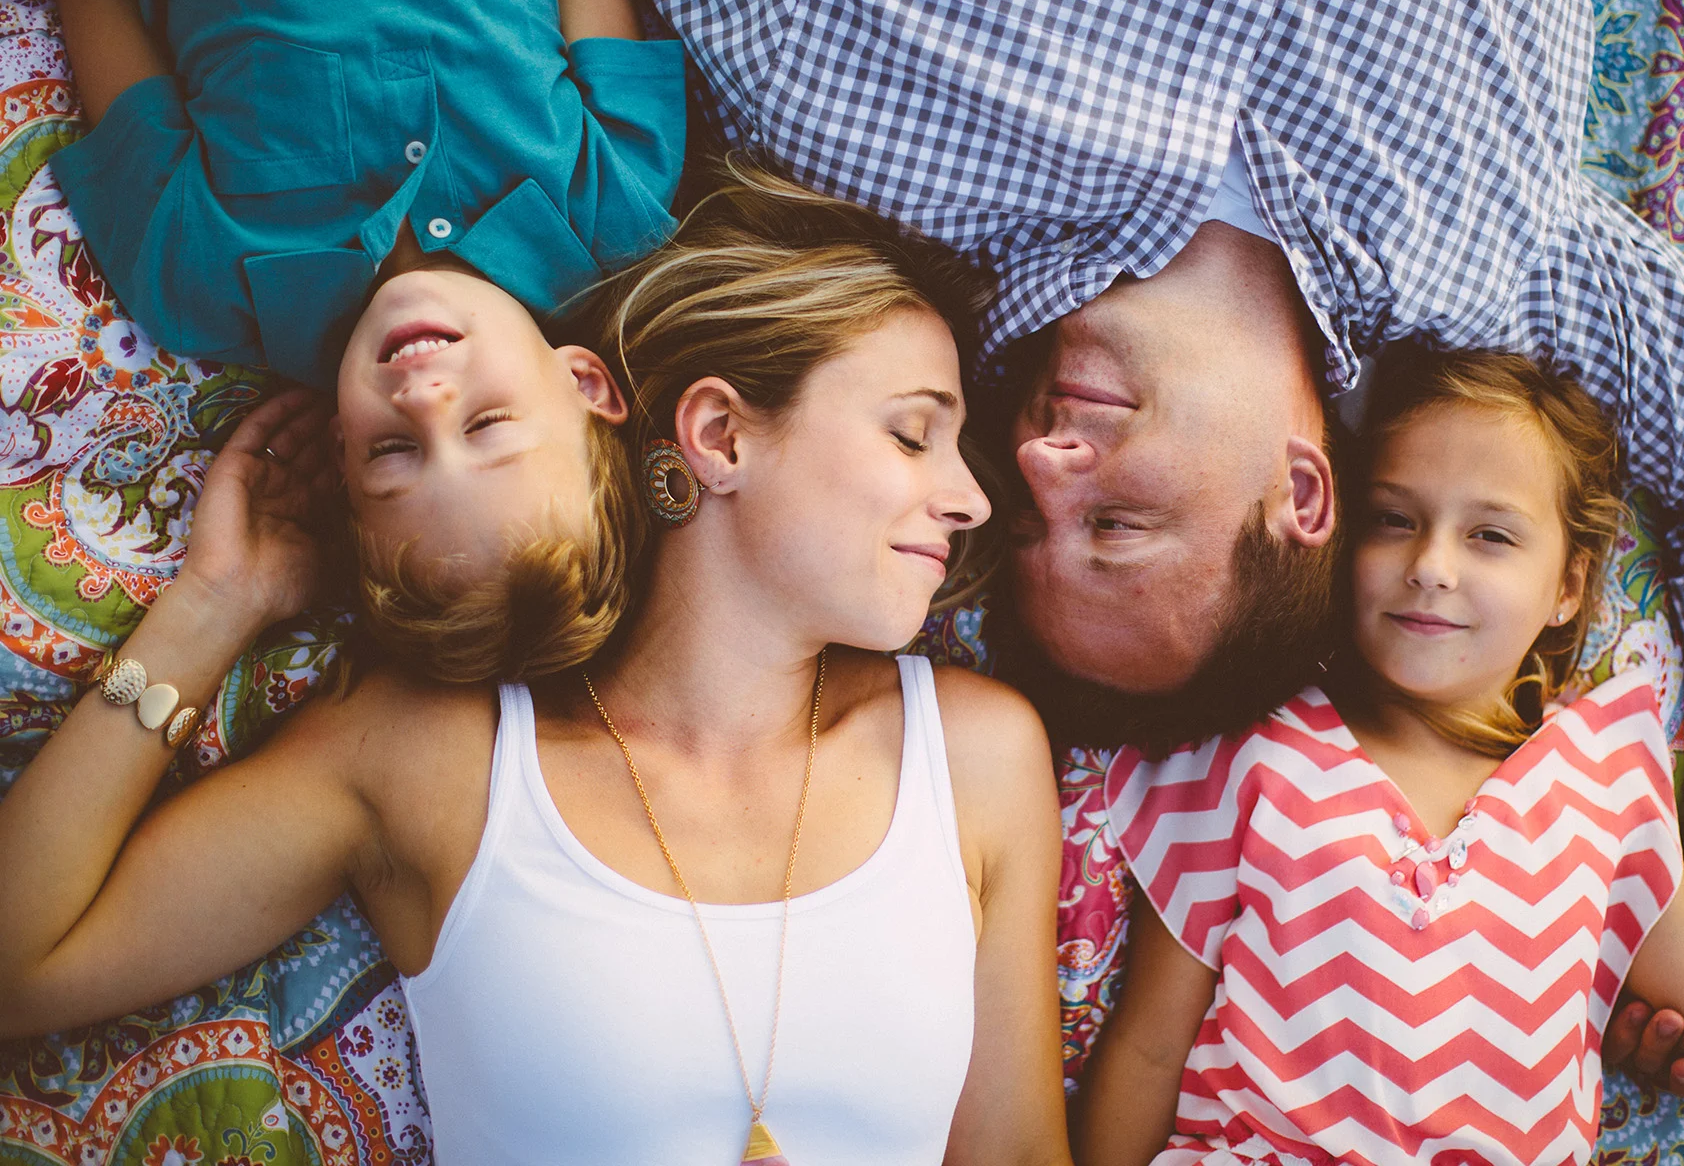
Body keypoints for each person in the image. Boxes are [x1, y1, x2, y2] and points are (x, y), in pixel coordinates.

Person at [615, 0, 1684, 954]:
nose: (1045, 464)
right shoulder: (1508, 271)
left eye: (1030, 507)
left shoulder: (849, 127)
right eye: (1117, 517)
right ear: (1307, 492)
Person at [0, 172, 1071, 1165]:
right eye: (914, 432)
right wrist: (208, 611)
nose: (972, 498)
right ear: (719, 436)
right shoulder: (437, 760)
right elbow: (26, 963)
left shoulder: (977, 759)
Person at [1071, 348, 1684, 1165]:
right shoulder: (1252, 751)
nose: (1431, 567)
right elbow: (1147, 1051)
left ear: (1569, 588)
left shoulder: (1603, 787)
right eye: (1394, 520)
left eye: (1490, 535)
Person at [50, 0, 684, 679]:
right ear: (587, 383)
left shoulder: (200, 279)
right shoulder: (616, 211)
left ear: (341, 454)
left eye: (393, 451)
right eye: (487, 425)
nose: (424, 399)